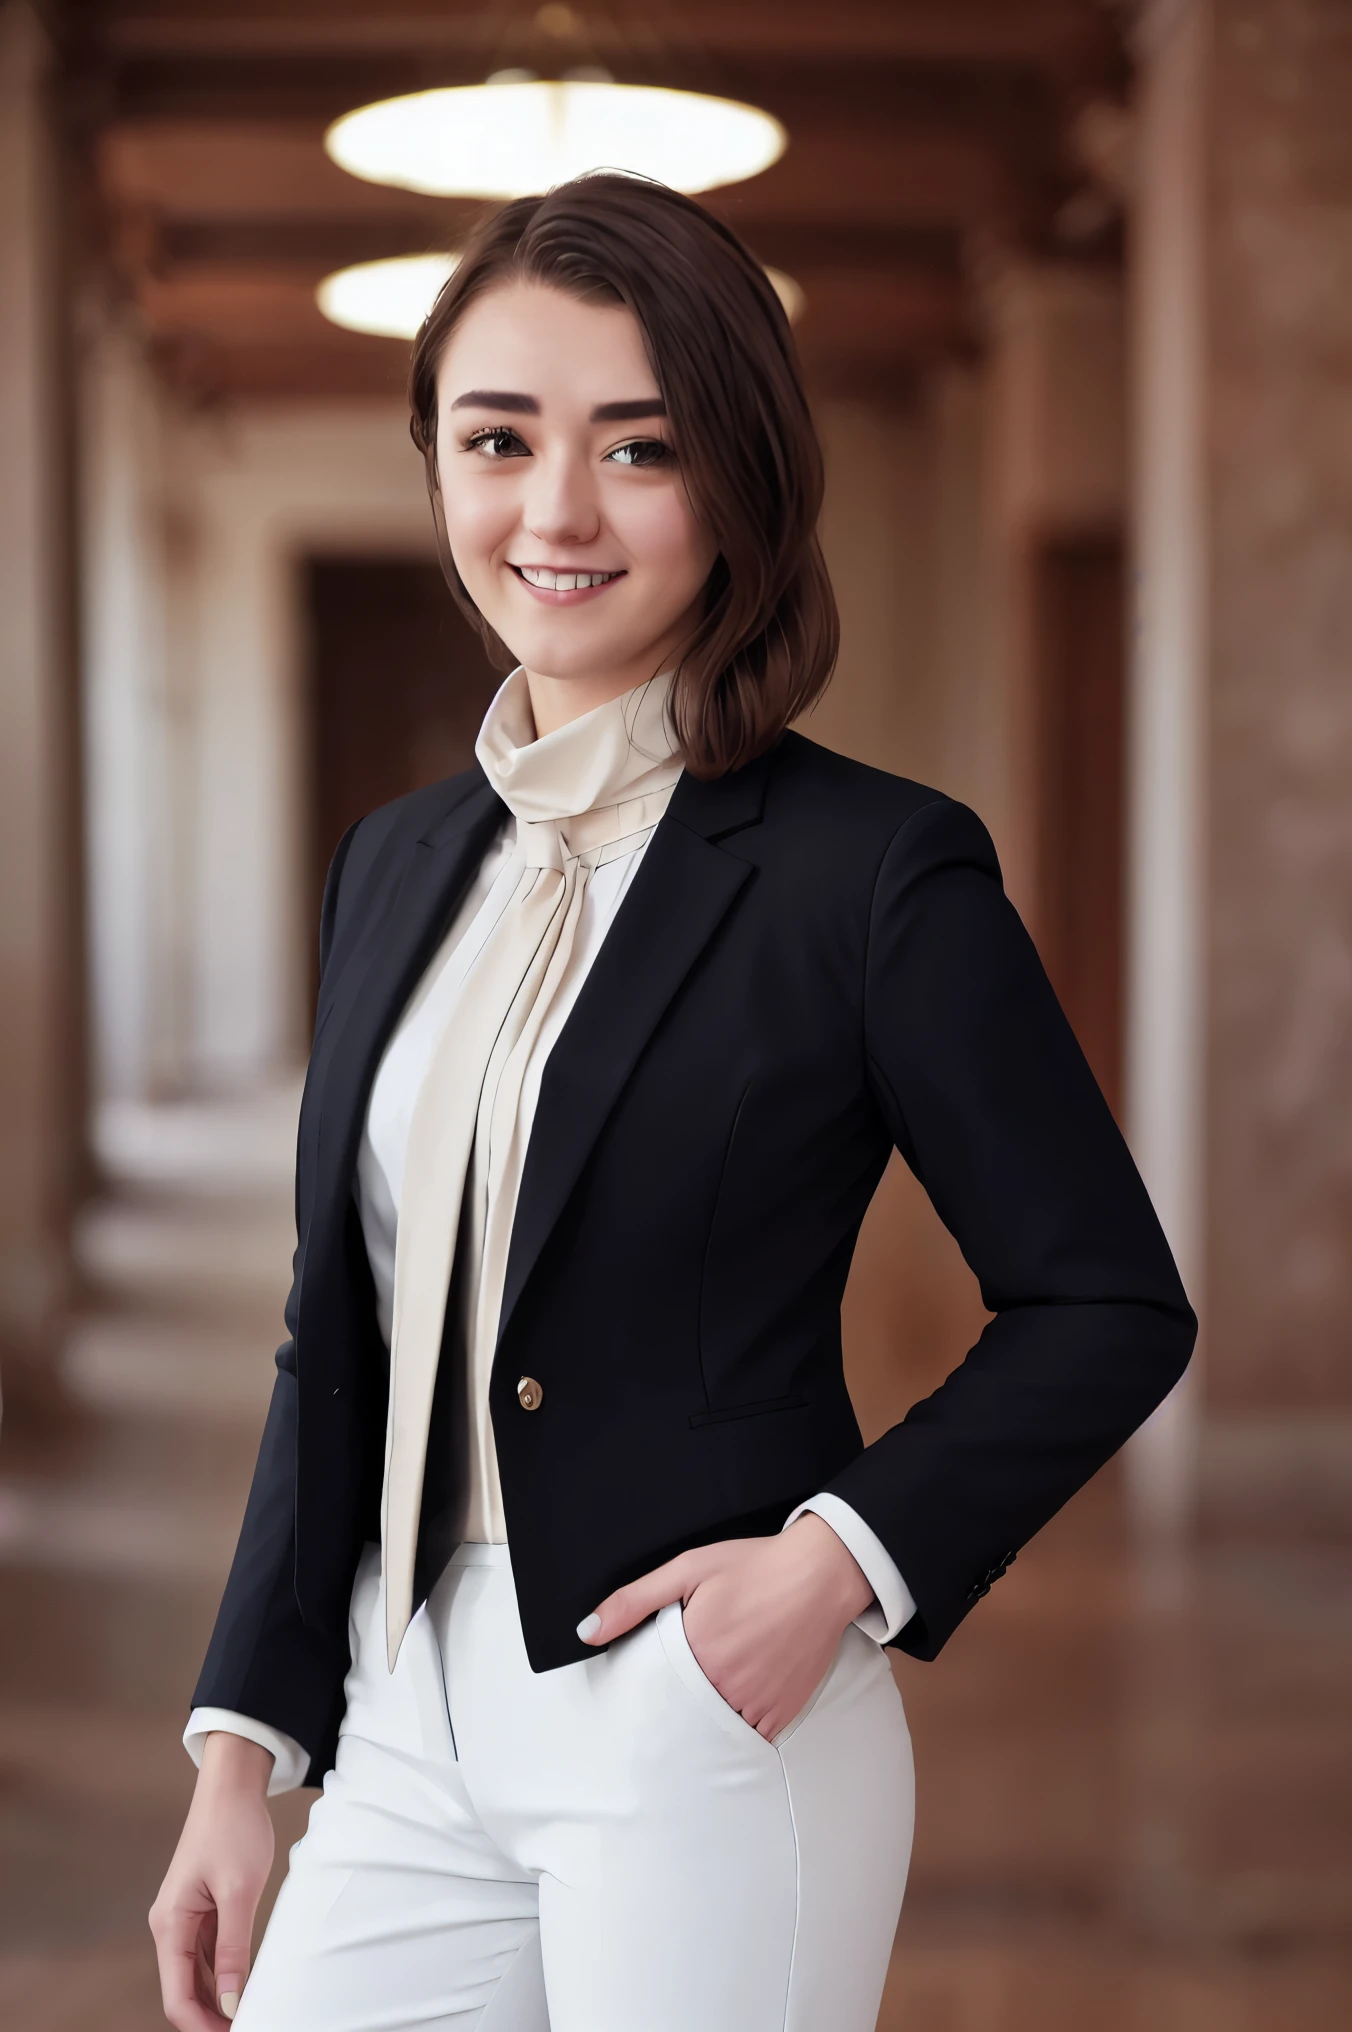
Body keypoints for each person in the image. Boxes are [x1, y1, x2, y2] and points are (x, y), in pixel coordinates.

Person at [149, 173, 1195, 2032]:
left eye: (639, 446)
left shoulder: (871, 870)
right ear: (438, 468)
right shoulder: (395, 864)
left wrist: (835, 1570)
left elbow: (1108, 1300)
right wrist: (247, 1746)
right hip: (401, 1718)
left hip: (697, 1718)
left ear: (739, 482)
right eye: (499, 439)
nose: (555, 511)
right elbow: (342, 1337)